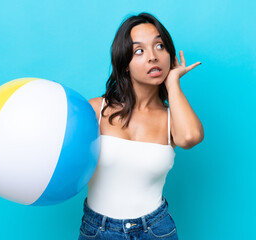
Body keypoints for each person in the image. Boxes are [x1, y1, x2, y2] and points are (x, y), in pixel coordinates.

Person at [78, 12, 203, 240]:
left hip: (155, 230)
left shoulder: (171, 119)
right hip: (98, 230)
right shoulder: (97, 110)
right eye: (139, 51)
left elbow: (190, 138)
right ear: (124, 63)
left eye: (160, 46)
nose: (153, 57)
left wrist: (173, 82)